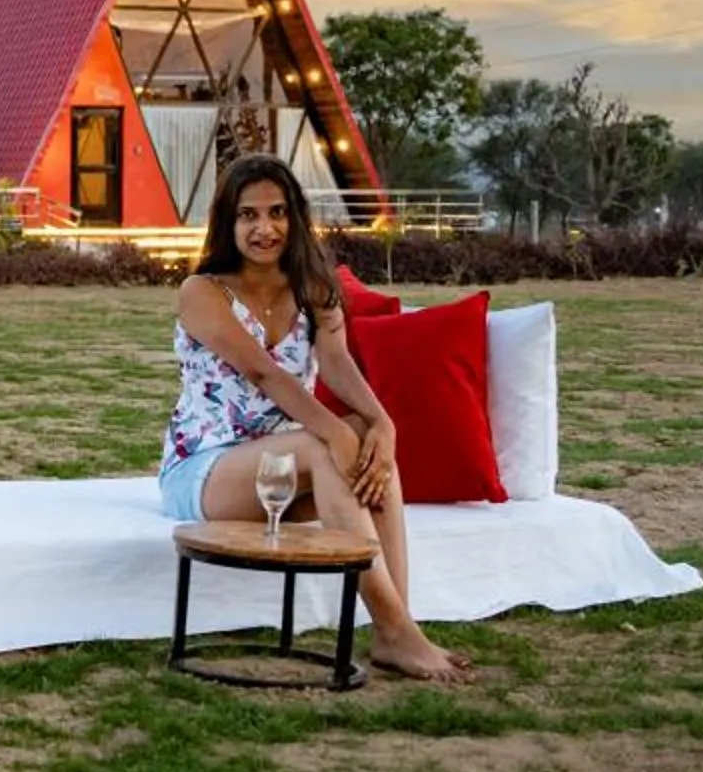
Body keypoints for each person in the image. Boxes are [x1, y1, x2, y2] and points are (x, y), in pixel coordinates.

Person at [156, 153, 475, 683]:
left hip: (282, 470)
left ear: (295, 218)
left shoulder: (314, 287)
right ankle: (394, 626)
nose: (264, 228)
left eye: (277, 213)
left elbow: (337, 362)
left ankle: (398, 629)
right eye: (248, 215)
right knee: (320, 444)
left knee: (369, 449)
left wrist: (382, 426)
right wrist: (332, 431)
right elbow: (264, 374)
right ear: (228, 222)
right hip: (205, 470)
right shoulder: (203, 292)